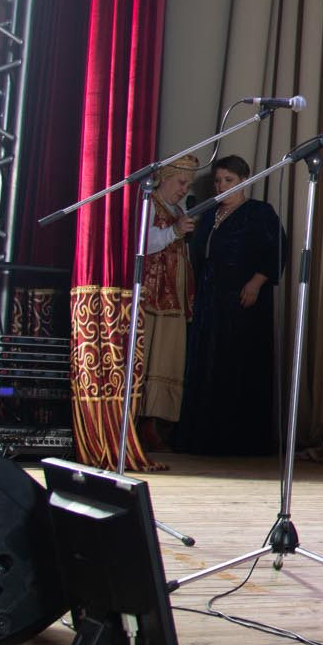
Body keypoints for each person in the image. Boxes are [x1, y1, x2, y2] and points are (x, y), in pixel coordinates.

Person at [176, 154, 286, 457]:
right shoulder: (209, 213)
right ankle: (204, 438)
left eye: (229, 181)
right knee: (207, 364)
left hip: (244, 300)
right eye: (218, 181)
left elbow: (277, 248)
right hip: (210, 300)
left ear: (244, 181)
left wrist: (256, 282)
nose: (222, 186)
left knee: (239, 365)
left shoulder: (259, 213)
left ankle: (238, 440)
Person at [136, 154, 198, 452]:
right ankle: (137, 418)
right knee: (147, 352)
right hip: (151, 292)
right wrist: (174, 231)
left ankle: (156, 420)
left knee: (167, 356)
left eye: (188, 184)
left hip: (173, 292)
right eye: (181, 182)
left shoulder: (179, 208)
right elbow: (143, 243)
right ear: (165, 178)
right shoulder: (150, 204)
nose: (184, 189)